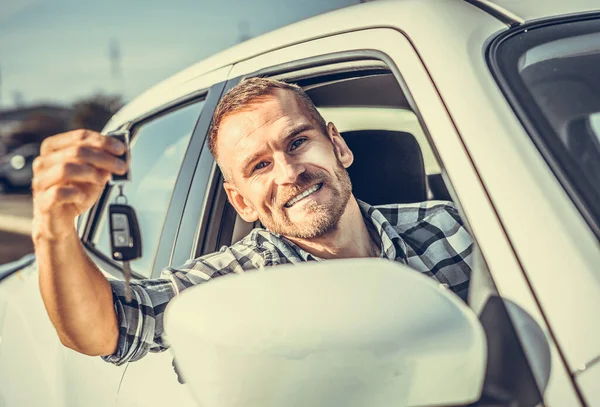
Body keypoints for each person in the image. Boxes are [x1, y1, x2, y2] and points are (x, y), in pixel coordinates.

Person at [33, 78, 474, 366]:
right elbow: (107, 329)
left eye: (298, 141)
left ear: (337, 146)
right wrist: (52, 228)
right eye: (259, 166)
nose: (288, 173)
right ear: (239, 201)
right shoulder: (234, 284)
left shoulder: (455, 229)